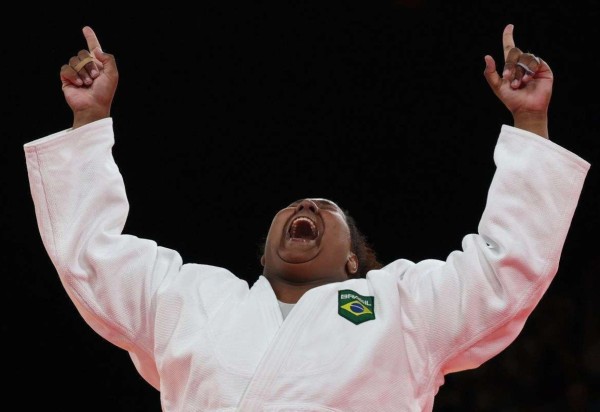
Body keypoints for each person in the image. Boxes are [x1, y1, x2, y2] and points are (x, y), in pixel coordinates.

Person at [24, 23, 590, 411]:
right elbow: (91, 259)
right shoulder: (195, 297)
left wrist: (530, 123)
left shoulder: (399, 305)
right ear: (263, 254)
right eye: (295, 206)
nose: (305, 206)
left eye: (325, 208)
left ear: (352, 259)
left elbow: (504, 271)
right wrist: (91, 119)